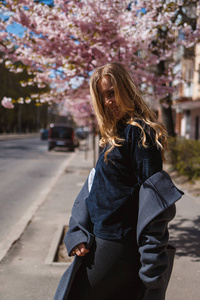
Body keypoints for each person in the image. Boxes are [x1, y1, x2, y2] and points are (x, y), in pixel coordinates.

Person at [54, 63, 183, 300]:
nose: (107, 101)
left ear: (126, 88)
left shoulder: (140, 133)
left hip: (118, 243)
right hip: (98, 237)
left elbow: (154, 206)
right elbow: (94, 189)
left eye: (111, 92)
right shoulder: (113, 134)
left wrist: (152, 267)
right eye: (102, 96)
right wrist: (78, 232)